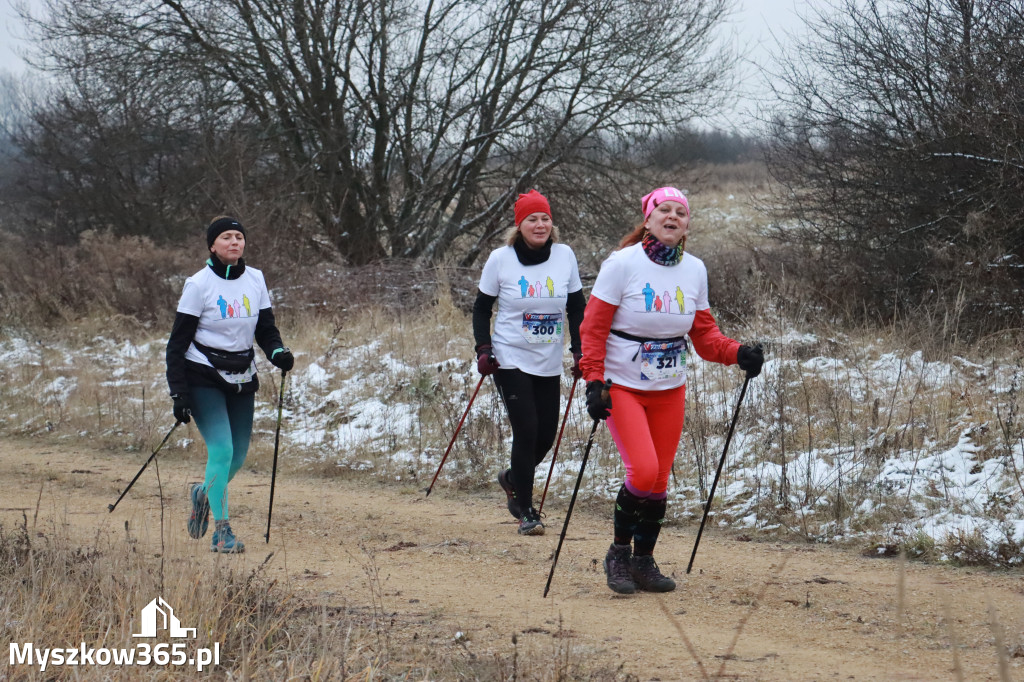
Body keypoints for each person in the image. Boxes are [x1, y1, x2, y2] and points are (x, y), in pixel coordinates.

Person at [579, 186, 763, 593]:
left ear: (686, 226)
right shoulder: (621, 264)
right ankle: (617, 556)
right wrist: (593, 379)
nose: (672, 216)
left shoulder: (694, 270)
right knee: (642, 472)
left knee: (659, 481)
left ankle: (644, 561)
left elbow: (705, 336)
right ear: (648, 219)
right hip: (621, 384)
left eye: (680, 212)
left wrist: (739, 354)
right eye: (664, 209)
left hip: (669, 388)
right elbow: (593, 328)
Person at [166, 216, 294, 553]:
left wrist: (278, 352)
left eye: (239, 236)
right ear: (212, 245)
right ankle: (222, 532)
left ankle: (203, 493)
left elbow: (265, 329)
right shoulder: (198, 284)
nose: (234, 242)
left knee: (237, 457)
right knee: (221, 450)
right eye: (226, 237)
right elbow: (177, 344)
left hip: (241, 375)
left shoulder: (255, 279)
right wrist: (178, 392)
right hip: (202, 375)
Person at [472, 190, 586, 535]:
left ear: (552, 223)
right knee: (527, 430)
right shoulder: (500, 259)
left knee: (546, 435)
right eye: (532, 219)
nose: (540, 225)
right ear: (519, 225)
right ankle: (526, 510)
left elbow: (577, 306)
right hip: (510, 358)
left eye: (545, 218)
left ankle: (511, 478)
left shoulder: (565, 255)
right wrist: (484, 348)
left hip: (548, 359)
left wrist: (581, 350)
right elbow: (481, 307)